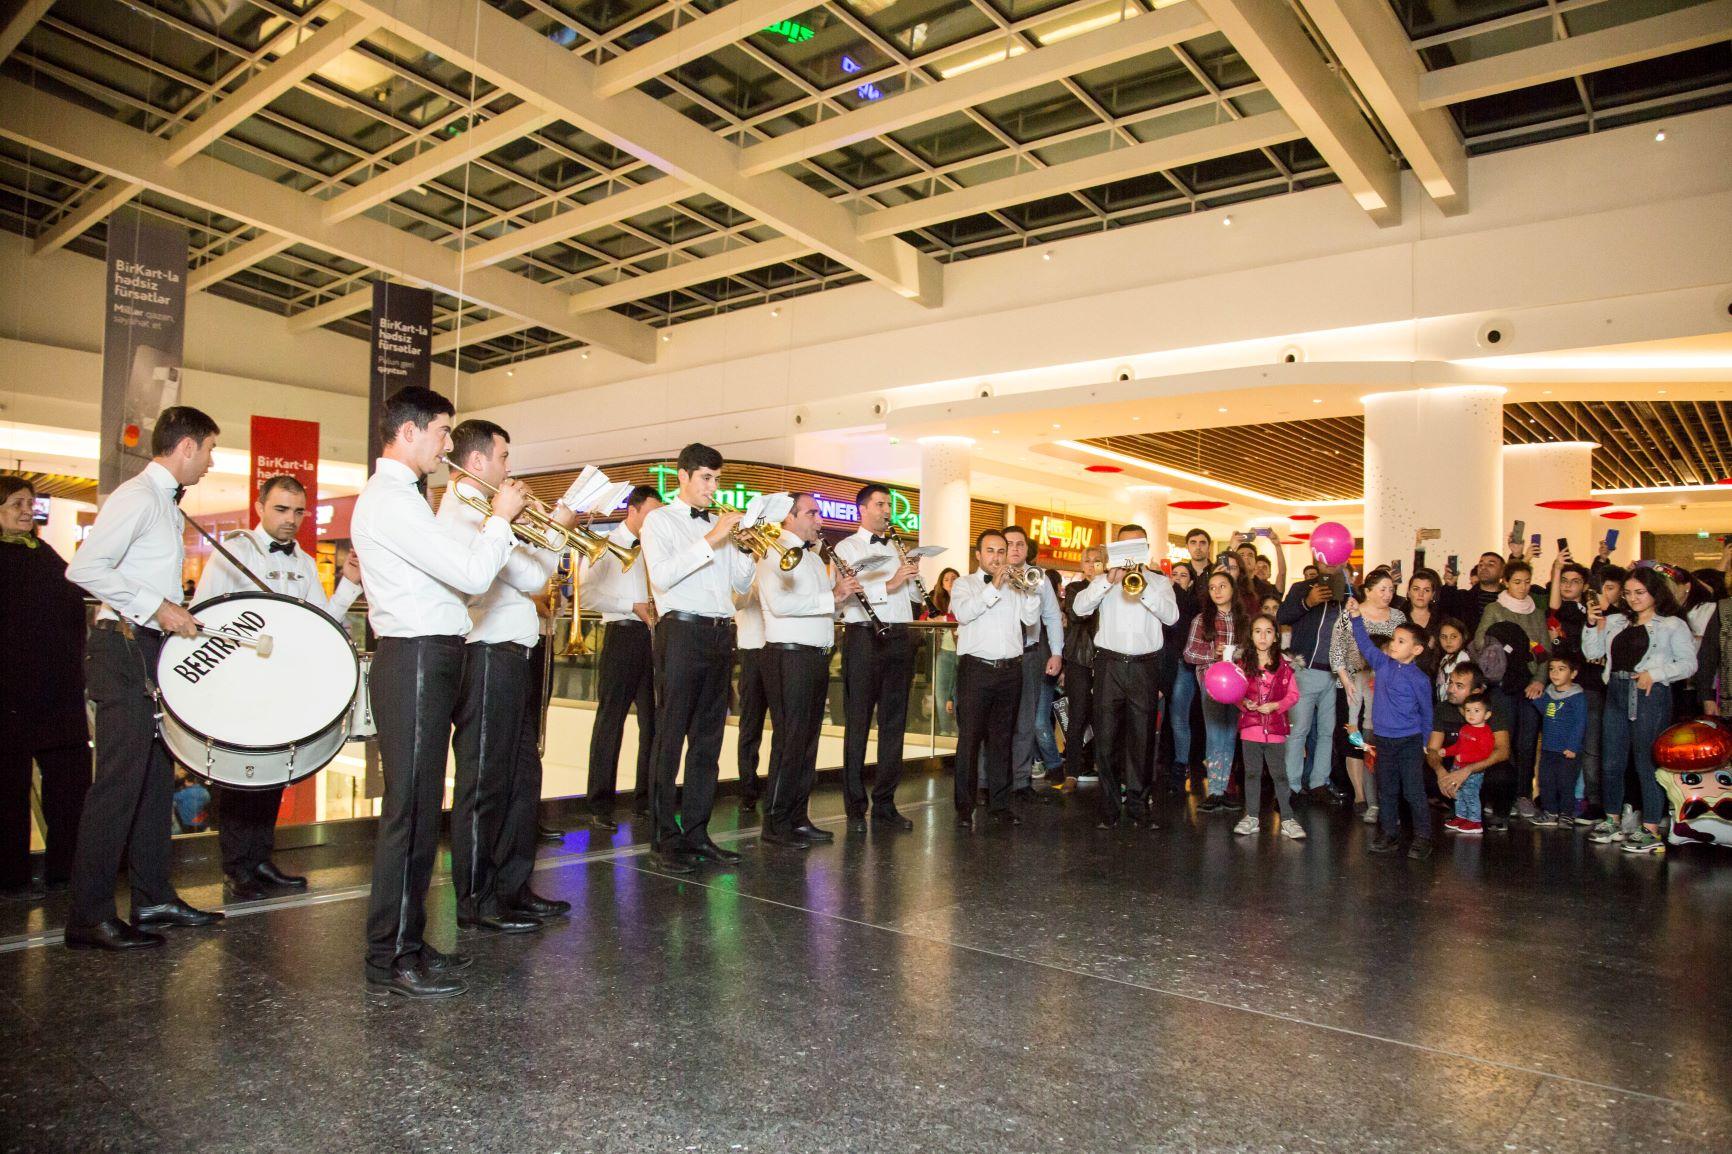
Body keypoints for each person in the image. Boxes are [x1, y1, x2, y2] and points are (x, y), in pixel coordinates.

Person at [352, 387, 530, 999]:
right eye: (442, 432)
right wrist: (501, 519)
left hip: (432, 656)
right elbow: (473, 575)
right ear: (409, 433)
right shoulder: (391, 502)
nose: (448, 444)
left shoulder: (405, 499)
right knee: (410, 813)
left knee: (423, 811)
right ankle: (391, 956)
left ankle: (407, 940)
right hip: (418, 659)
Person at [62, 406, 227, 951]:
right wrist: (157, 606)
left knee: (155, 780)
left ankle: (153, 895)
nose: (210, 461)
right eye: (208, 450)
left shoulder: (165, 505)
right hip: (124, 645)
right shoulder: (136, 497)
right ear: (185, 448)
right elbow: (84, 569)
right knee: (117, 785)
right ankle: (88, 915)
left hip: (147, 648)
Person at [192, 474, 362, 901]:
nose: (291, 520)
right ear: (260, 508)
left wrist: (349, 583)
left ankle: (260, 858)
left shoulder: (304, 561)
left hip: (280, 684)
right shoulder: (233, 550)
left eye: (298, 511)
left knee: (270, 773)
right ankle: (236, 868)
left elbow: (322, 621)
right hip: (239, 683)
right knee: (237, 777)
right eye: (281, 510)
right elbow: (203, 613)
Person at [439, 420, 573, 935]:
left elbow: (532, 575)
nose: (508, 469)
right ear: (477, 463)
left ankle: (513, 887)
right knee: (484, 781)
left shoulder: (490, 513)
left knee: (521, 777)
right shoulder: (465, 512)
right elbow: (530, 576)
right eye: (502, 458)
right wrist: (550, 529)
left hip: (515, 652)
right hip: (487, 653)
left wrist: (531, 528)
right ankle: (475, 898)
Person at [640, 444, 758, 870]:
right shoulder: (660, 521)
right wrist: (712, 538)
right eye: (706, 478)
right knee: (670, 736)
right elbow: (664, 575)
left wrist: (744, 549)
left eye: (717, 479)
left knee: (708, 740)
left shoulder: (720, 527)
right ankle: (663, 839)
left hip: (719, 633)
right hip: (681, 632)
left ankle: (697, 833)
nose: (713, 486)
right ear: (683, 477)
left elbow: (740, 588)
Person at [0, 475, 90, 898]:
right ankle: (10, 877)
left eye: (29, 503)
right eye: (16, 503)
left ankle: (67, 870)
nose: (26, 510)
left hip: (59, 692)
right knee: (7, 791)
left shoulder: (46, 553)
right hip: (10, 695)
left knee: (71, 788)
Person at [757, 494, 856, 848]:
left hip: (814, 656)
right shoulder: (773, 550)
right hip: (789, 656)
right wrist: (831, 598)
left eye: (819, 513)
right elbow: (779, 604)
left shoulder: (814, 558)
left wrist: (840, 598)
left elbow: (821, 610)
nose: (819, 520)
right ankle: (776, 823)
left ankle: (797, 816)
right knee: (789, 741)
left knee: (807, 742)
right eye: (812, 513)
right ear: (789, 517)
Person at [1581, 567, 1697, 855]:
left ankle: (1651, 829)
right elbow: (1592, 653)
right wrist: (1592, 624)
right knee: (1612, 761)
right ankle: (1613, 819)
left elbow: (1689, 664)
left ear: (1654, 592)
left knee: (1647, 762)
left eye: (1640, 592)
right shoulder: (1618, 621)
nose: (1633, 598)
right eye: (1629, 593)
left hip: (1649, 694)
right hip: (1617, 691)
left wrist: (1655, 673)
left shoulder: (1672, 625)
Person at [1071, 526, 1178, 829]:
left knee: (1142, 739)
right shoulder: (1102, 581)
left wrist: (1142, 588)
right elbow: (1079, 609)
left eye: (1136, 546)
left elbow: (1172, 617)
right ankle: (1108, 808)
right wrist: (1107, 581)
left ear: (1145, 548)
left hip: (1145, 666)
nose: (1130, 553)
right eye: (1123, 547)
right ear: (1114, 550)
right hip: (1109, 665)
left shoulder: (1159, 583)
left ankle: (1138, 807)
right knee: (1105, 738)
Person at [834, 484, 922, 832]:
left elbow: (912, 595)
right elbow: (848, 595)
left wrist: (912, 575)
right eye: (881, 504)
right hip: (864, 637)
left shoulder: (897, 548)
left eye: (889, 505)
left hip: (900, 636)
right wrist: (891, 582)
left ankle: (886, 803)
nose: (887, 511)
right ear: (863, 509)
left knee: (894, 723)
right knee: (858, 723)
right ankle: (855, 806)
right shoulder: (846, 547)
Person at [580, 484, 661, 830]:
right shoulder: (606, 544)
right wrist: (631, 606)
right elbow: (586, 596)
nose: (657, 521)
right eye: (652, 514)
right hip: (622, 635)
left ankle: (646, 801)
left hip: (653, 637)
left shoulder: (657, 546)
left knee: (653, 724)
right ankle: (600, 805)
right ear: (634, 510)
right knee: (610, 722)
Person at [950, 530, 1040, 829]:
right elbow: (963, 614)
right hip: (976, 670)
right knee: (970, 740)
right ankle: (964, 808)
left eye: (1001, 551)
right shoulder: (965, 584)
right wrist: (995, 588)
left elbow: (1030, 620)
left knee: (1003, 740)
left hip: (1010, 670)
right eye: (990, 551)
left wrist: (1028, 592)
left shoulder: (1016, 585)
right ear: (978, 555)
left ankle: (1000, 804)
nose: (997, 557)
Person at [1346, 602, 1434, 859]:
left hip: (1409, 741)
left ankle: (1423, 837)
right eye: (1394, 639)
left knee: (1413, 790)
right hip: (1384, 740)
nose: (1394, 644)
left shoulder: (1420, 679)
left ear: (1416, 649)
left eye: (1401, 641)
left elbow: (1427, 712)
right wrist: (1356, 618)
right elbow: (1364, 643)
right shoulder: (1382, 664)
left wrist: (1426, 741)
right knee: (1387, 788)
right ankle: (1389, 833)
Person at [1475, 558, 1548, 817]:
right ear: (1506, 582)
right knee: (1500, 741)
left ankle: (1523, 794)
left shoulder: (1537, 613)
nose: (1523, 587)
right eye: (1517, 582)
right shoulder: (1495, 609)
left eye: (1527, 582)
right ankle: (1498, 795)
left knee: (1527, 742)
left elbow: (1545, 651)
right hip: (1502, 684)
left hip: (1529, 686)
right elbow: (1479, 644)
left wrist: (1539, 679)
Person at [1332, 567, 1405, 823]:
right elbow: (1336, 651)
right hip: (1353, 683)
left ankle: (1383, 800)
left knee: (1381, 741)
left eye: (1391, 589)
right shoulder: (1351, 612)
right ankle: (1361, 796)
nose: (1387, 594)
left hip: (1386, 687)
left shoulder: (1397, 616)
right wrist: (1346, 681)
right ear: (1368, 590)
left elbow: (1403, 649)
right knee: (1355, 740)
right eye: (1382, 589)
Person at [1002, 526, 1064, 801]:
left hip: (1030, 654)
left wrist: (1057, 653)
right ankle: (987, 781)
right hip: (998, 655)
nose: (1015, 549)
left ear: (1027, 549)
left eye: (1019, 544)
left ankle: (1021, 781)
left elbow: (1052, 616)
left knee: (1027, 722)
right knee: (997, 721)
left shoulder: (1039, 578)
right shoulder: (992, 576)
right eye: (1009, 544)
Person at [1277, 561, 1347, 806]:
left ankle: (1319, 782)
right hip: (1304, 670)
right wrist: (1309, 601)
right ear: (1318, 560)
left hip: (1336, 675)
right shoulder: (1301, 588)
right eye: (1326, 559)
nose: (1331, 564)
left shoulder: (1348, 592)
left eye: (1338, 560)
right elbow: (1282, 615)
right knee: (1298, 732)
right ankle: (1291, 788)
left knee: (1327, 732)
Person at [1234, 614, 1304, 839]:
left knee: (1280, 775)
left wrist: (1276, 705)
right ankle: (1252, 816)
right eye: (1257, 631)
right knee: (1252, 773)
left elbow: (1293, 695)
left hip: (1275, 729)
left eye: (1268, 631)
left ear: (1276, 636)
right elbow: (1235, 693)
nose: (1262, 636)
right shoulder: (1243, 664)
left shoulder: (1284, 666)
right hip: (1250, 728)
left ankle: (1287, 818)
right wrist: (1245, 703)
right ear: (1251, 635)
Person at [1548, 555, 1607, 823]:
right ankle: (1562, 798)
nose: (1568, 585)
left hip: (1591, 684)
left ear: (1585, 585)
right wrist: (1557, 567)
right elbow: (1553, 607)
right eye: (1564, 581)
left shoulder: (1593, 610)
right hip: (1561, 686)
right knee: (1560, 743)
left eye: (1575, 581)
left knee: (1590, 744)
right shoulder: (1556, 614)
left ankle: (1594, 801)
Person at [1184, 570, 1248, 811]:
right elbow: (1189, 654)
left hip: (1237, 687)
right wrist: (1214, 653)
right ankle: (1214, 790)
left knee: (1230, 735)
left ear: (1233, 589)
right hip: (1211, 684)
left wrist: (1239, 653)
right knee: (1214, 735)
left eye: (1222, 586)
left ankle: (1225, 789)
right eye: (1212, 588)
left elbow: (1252, 653)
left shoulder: (1244, 620)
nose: (1217, 591)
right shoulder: (1202, 620)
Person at [1056, 545, 1106, 791]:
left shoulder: (1113, 588)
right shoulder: (1076, 589)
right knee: (1077, 716)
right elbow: (1079, 615)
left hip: (1107, 660)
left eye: (1098, 561)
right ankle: (1072, 772)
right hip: (1079, 659)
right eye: (1088, 561)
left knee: (1105, 717)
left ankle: (1104, 768)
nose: (1092, 565)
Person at [1529, 656, 1587, 828]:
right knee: (1546, 781)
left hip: (1566, 750)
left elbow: (1580, 722)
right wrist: (1535, 697)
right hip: (1548, 747)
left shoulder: (1577, 697)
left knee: (1566, 782)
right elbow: (1546, 711)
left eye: (1561, 669)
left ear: (1573, 673)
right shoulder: (1549, 692)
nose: (1555, 673)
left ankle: (1567, 814)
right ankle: (1550, 812)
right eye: (1552, 669)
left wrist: (1573, 746)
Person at [733, 582, 768, 814]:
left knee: (786, 725)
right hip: (752, 651)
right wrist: (754, 576)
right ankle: (748, 789)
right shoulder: (742, 571)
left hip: (780, 649)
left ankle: (778, 788)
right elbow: (738, 601)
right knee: (750, 727)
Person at [1440, 692, 1495, 835]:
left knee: (1471, 795)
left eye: (1476, 711)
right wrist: (1447, 751)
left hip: (1473, 772)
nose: (1471, 714)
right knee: (1459, 794)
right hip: (1457, 767)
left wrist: (1464, 757)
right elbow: (1458, 746)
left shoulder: (1485, 732)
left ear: (1487, 715)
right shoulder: (1465, 728)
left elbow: (1484, 754)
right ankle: (1461, 817)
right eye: (1468, 710)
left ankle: (1475, 821)